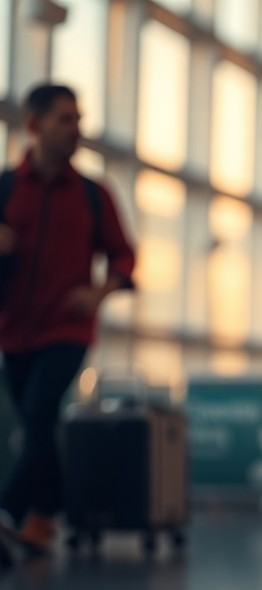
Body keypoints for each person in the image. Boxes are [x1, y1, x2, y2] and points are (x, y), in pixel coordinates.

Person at [0, 84, 136, 561]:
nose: (76, 129)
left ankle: (8, 512)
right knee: (37, 422)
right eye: (65, 119)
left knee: (38, 412)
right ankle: (45, 513)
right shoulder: (6, 189)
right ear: (34, 126)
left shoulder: (93, 195)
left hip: (67, 328)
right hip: (12, 329)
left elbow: (124, 257)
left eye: (78, 119)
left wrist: (97, 293)